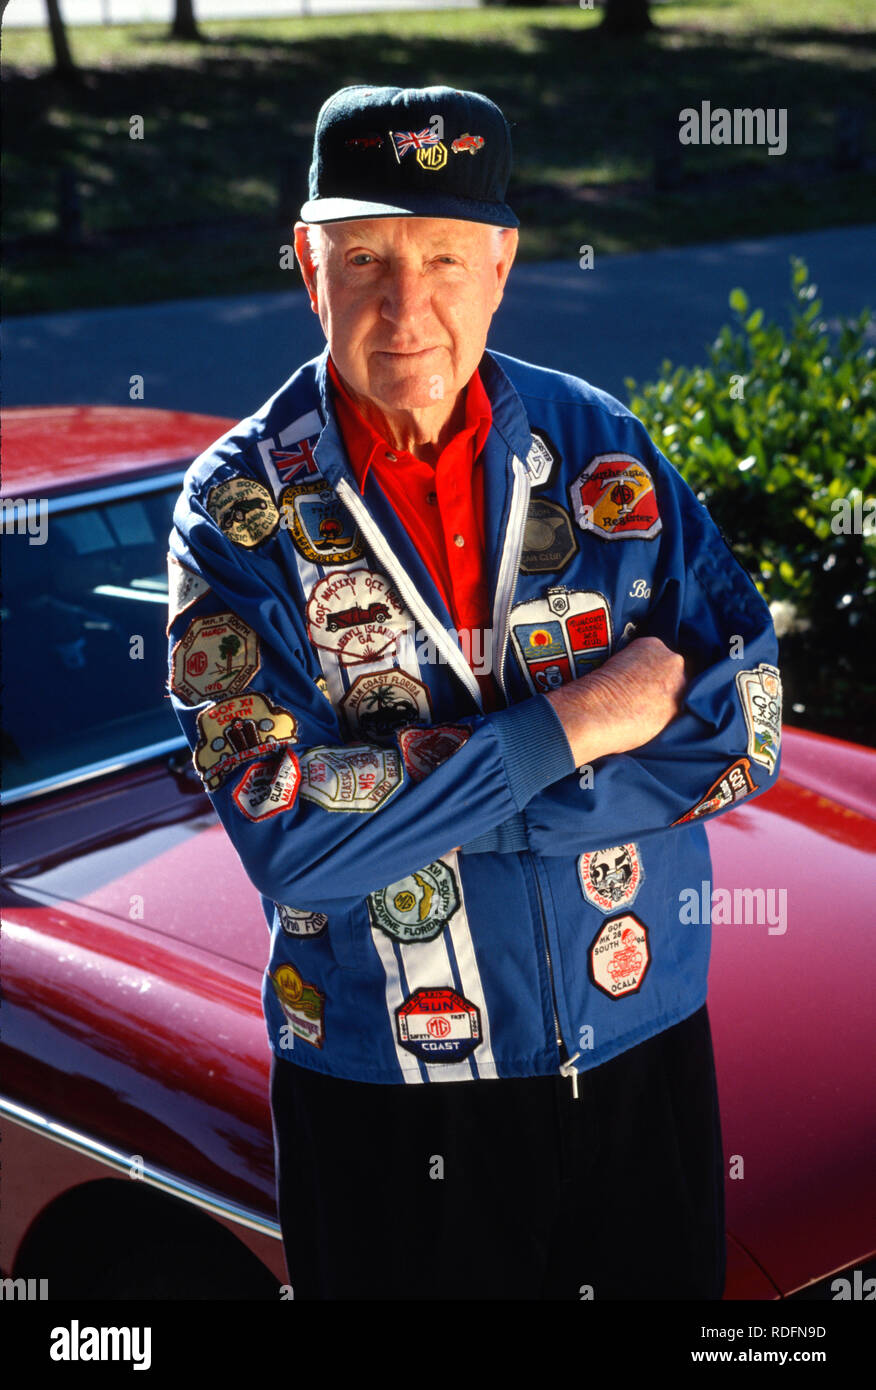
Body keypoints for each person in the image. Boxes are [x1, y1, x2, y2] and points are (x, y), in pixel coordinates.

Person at [167, 84, 782, 1300]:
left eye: (446, 255)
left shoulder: (601, 445)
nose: (409, 304)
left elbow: (746, 725)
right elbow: (287, 834)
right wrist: (579, 723)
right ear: (308, 263)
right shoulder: (237, 510)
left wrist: (446, 803)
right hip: (389, 1107)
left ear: (502, 265)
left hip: (643, 1051)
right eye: (367, 257)